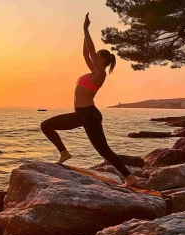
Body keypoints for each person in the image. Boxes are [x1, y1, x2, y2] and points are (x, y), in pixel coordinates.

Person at [40, 13, 138, 188]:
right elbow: (86, 52)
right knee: (46, 125)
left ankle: (129, 177)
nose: (92, 58)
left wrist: (86, 29)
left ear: (102, 60)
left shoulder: (100, 74)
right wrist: (83, 33)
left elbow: (91, 51)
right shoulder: (92, 72)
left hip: (90, 115)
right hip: (80, 114)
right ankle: (64, 153)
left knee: (103, 150)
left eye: (96, 57)